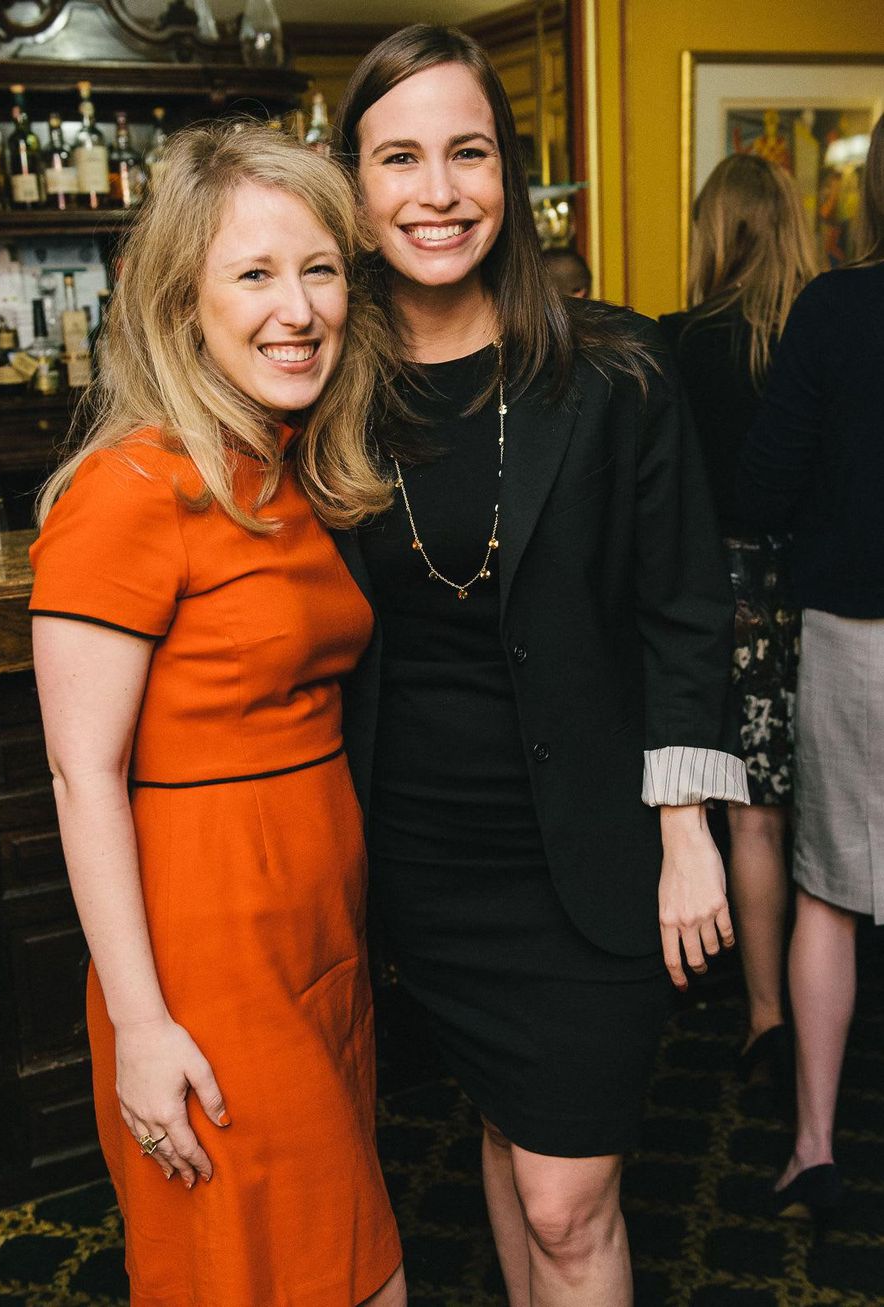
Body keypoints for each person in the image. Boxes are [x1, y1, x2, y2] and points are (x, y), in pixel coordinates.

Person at [333, 26, 748, 1307]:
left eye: (467, 152)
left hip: (584, 849)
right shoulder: (322, 382)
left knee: (570, 1200)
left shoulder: (612, 367)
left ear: (510, 176)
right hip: (417, 852)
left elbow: (683, 601)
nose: (436, 190)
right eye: (398, 157)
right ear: (352, 184)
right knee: (512, 1140)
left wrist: (687, 829)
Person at [29, 123, 405, 1307]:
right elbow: (81, 772)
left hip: (316, 938)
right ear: (180, 303)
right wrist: (141, 1025)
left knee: (338, 1264)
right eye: (253, 273)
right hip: (207, 959)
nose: (296, 308)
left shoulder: (285, 466)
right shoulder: (128, 487)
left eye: (320, 269)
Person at [741, 112, 884, 1225]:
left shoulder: (836, 308)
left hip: (855, 631)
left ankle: (813, 1149)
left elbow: (762, 482)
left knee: (828, 895)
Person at [659, 154, 817, 1097]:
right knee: (810, 815)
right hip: (818, 592)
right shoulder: (822, 333)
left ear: (713, 230)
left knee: (734, 819)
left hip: (711, 595)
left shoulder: (679, 342)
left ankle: (764, 1014)